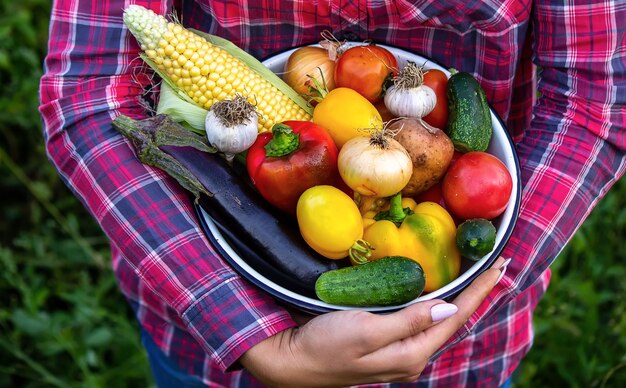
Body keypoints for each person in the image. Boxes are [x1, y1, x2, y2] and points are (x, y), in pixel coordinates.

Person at [39, 0, 625, 386]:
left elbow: (597, 106)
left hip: (456, 352)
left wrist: (479, 285)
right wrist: (259, 341)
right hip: (215, 328)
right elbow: (88, 96)